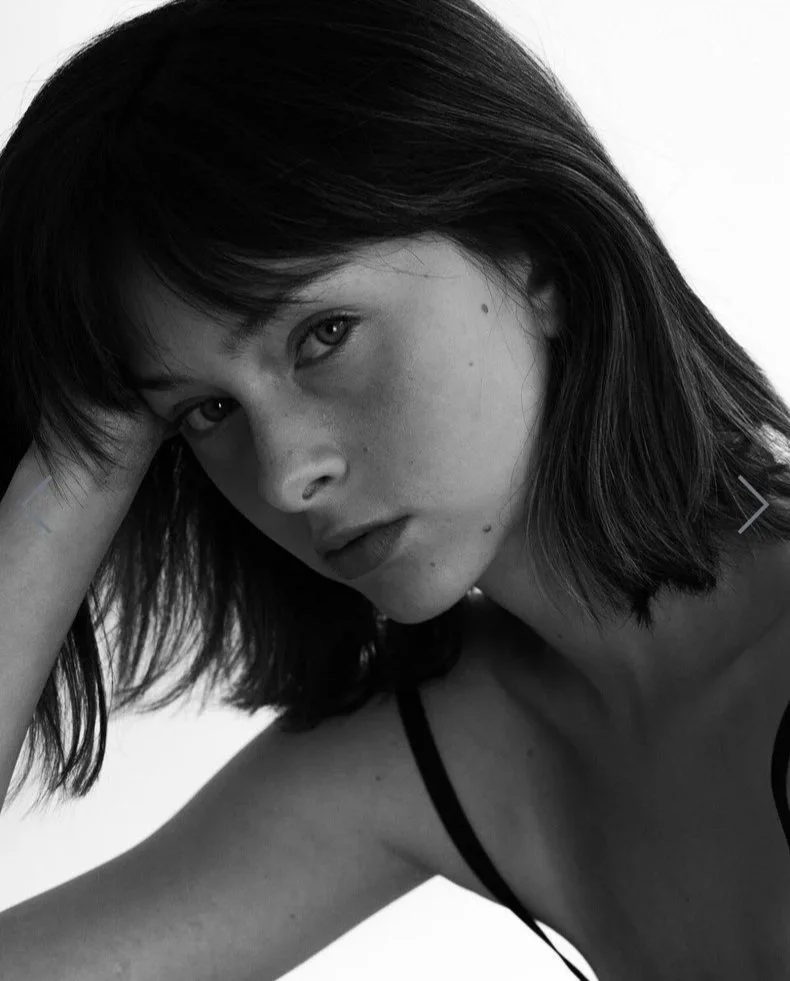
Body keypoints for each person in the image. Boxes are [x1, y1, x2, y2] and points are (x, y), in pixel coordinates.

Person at [1, 0, 789, 978]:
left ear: (534, 257)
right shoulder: (441, 740)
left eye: (322, 336)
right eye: (206, 410)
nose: (286, 476)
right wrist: (81, 459)